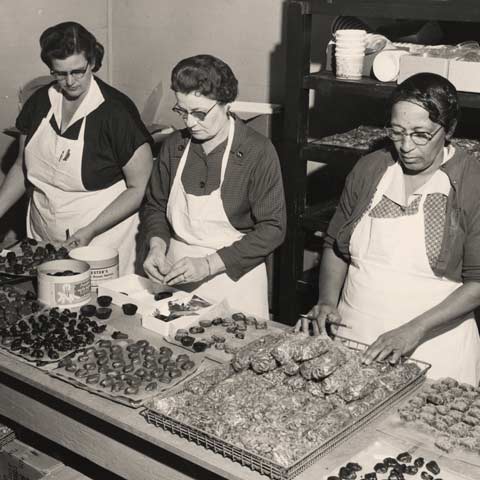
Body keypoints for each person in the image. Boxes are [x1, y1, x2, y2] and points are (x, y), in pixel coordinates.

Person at [303, 72, 480, 384]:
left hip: (434, 349)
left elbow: (477, 282)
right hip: (355, 338)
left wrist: (415, 330)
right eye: (397, 132)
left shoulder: (471, 182)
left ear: (449, 129)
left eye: (421, 134)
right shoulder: (371, 168)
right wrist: (328, 301)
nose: (407, 146)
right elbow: (335, 245)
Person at [0, 22, 153, 274]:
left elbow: (140, 187)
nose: (70, 82)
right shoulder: (39, 103)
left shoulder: (115, 112)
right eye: (59, 73)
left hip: (101, 237)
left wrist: (90, 230)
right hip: (44, 228)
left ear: (92, 62)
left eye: (78, 71)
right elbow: (21, 165)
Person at [141, 54, 286, 319]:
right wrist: (157, 246)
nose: (190, 123)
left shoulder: (257, 151)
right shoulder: (174, 146)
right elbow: (155, 206)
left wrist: (208, 265)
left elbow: (273, 229)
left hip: (235, 279)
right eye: (181, 111)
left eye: (199, 113)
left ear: (227, 103)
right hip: (178, 271)